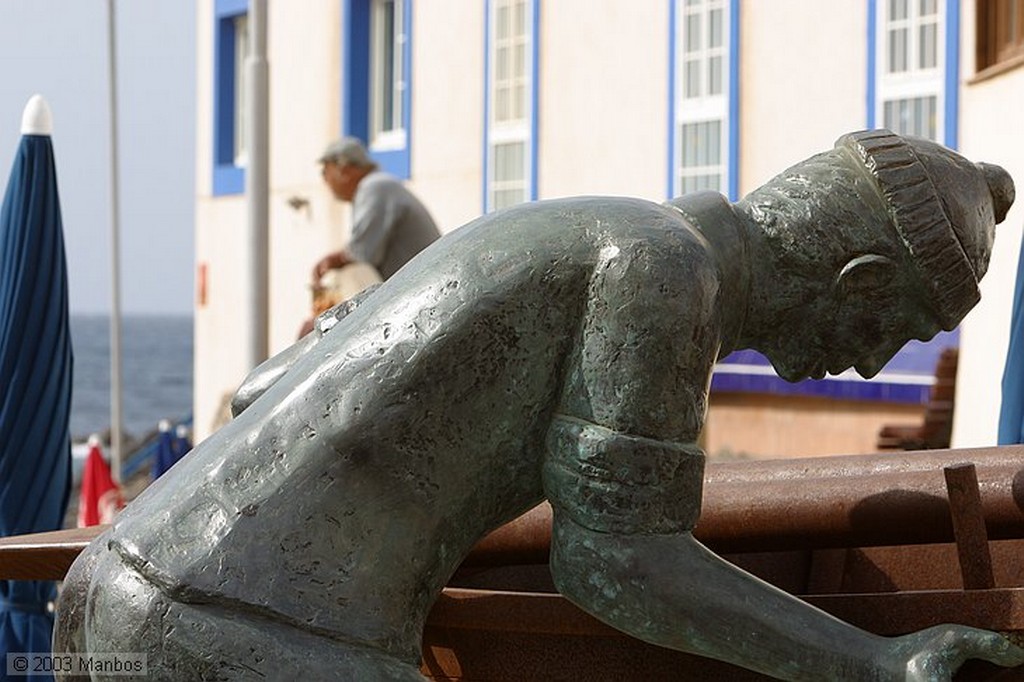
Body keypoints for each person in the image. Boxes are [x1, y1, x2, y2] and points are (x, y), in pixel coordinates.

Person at [55, 130, 1023, 680]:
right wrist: (872, 662)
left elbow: (259, 390)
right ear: (857, 280)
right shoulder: (666, 272)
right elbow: (619, 562)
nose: (871, 366)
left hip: (120, 584)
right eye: (902, 328)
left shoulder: (576, 226)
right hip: (251, 629)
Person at [314, 136, 440, 283]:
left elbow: (362, 252)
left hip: (425, 284)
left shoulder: (374, 187)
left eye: (325, 172)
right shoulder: (375, 186)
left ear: (345, 170)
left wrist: (331, 262)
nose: (325, 180)